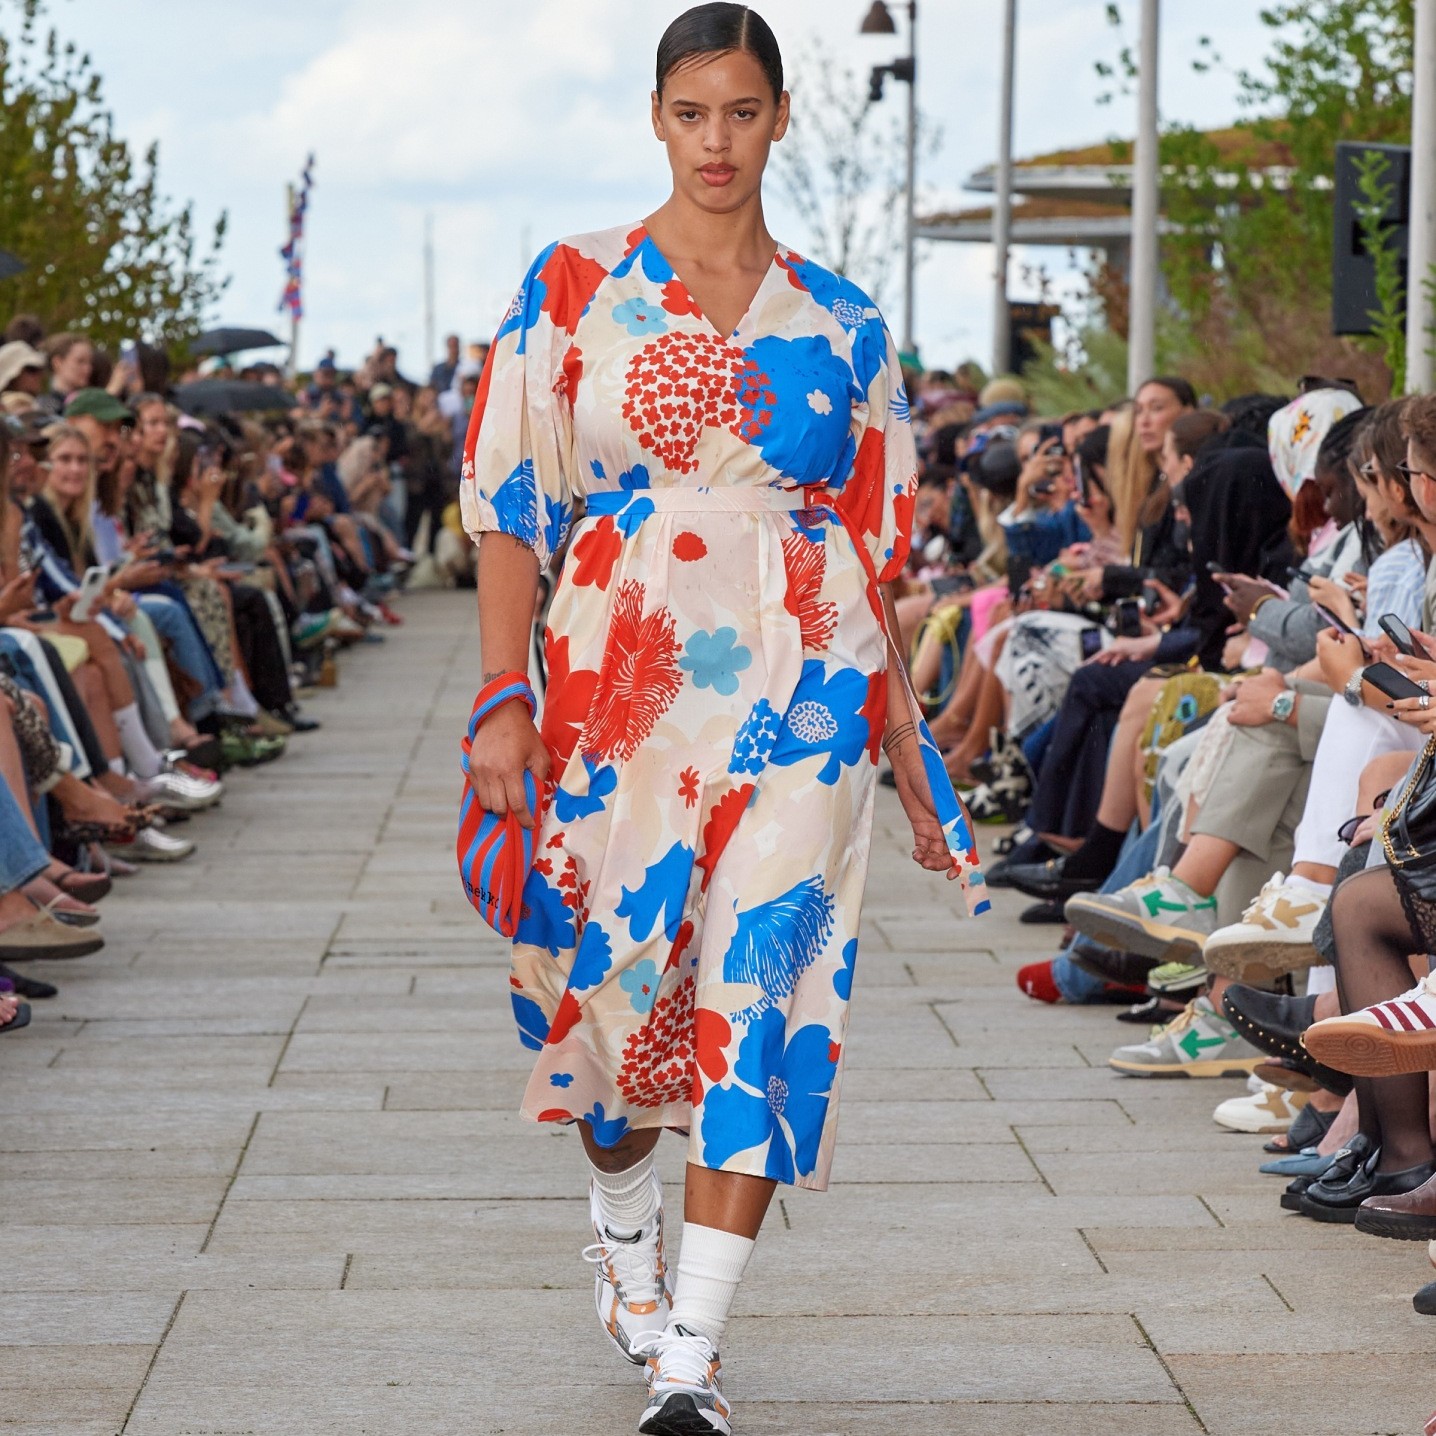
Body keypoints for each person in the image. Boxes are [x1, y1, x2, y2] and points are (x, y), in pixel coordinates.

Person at [459, 7, 981, 1432]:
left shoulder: (845, 320)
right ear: (656, 117)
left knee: (769, 996)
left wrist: (914, 754)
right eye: (693, 113)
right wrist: (502, 698)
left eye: (743, 112)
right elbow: (512, 504)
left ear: (779, 120)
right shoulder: (574, 292)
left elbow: (881, 545)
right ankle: (622, 1233)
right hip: (618, 685)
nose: (716, 141)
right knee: (618, 1007)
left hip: (810, 689)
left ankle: (691, 1354)